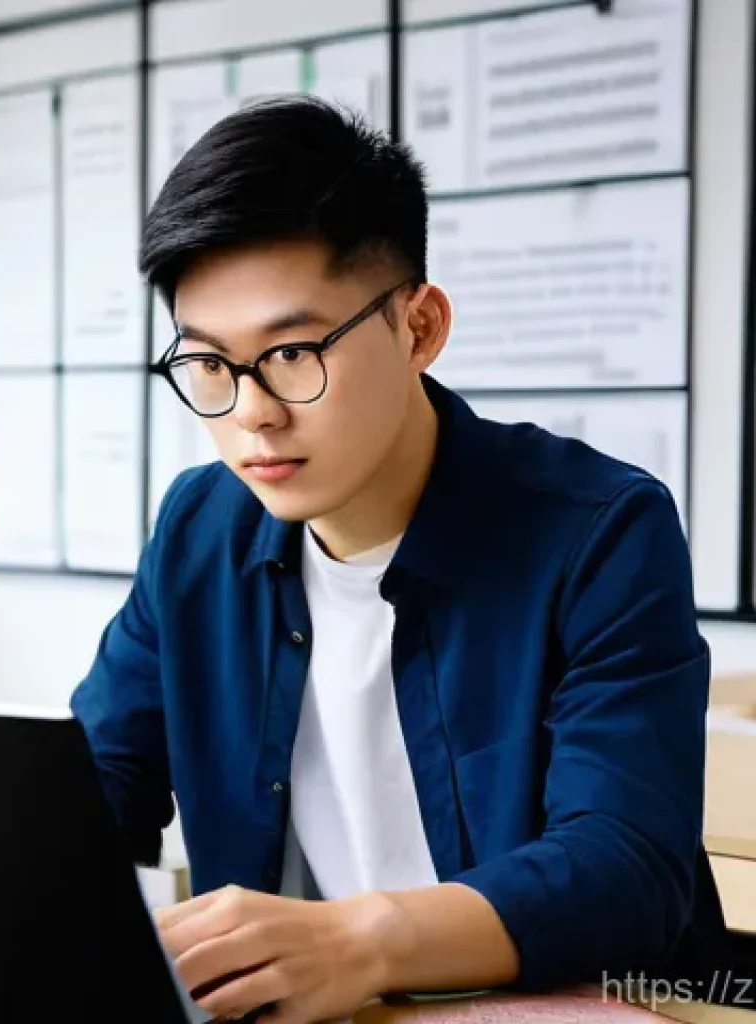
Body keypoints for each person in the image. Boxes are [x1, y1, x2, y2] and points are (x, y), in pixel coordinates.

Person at [71, 96, 732, 1023]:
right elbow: (102, 785)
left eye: (293, 353)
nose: (252, 411)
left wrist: (357, 938)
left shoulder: (599, 530)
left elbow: (624, 869)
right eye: (209, 364)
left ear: (418, 329)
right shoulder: (200, 529)